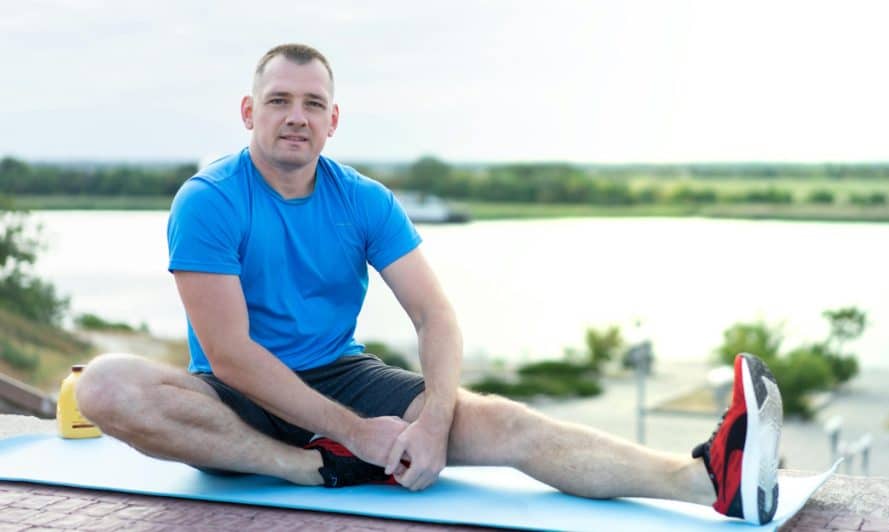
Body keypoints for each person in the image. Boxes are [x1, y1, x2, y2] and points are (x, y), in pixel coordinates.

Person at [75, 43, 784, 525]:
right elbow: (229, 355)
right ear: (248, 112)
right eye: (281, 100)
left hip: (342, 373)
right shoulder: (210, 200)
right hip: (238, 401)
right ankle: (306, 470)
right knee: (105, 386)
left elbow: (434, 316)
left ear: (333, 120)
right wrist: (353, 435)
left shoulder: (364, 200)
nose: (297, 116)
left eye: (314, 104)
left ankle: (706, 481)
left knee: (505, 421)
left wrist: (435, 423)